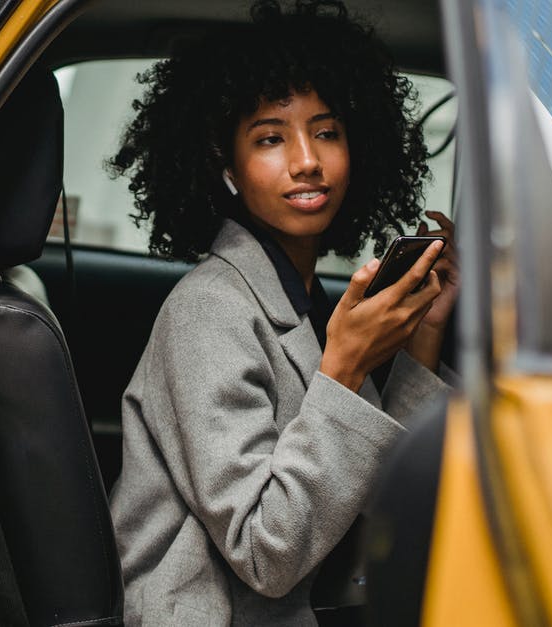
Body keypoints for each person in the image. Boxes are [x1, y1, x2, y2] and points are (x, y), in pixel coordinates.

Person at [105, 1, 460, 625]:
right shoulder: (207, 313)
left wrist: (423, 335)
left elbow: (374, 498)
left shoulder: (304, 298)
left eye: (326, 132)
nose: (307, 161)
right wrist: (344, 369)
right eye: (271, 138)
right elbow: (266, 555)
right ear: (226, 164)